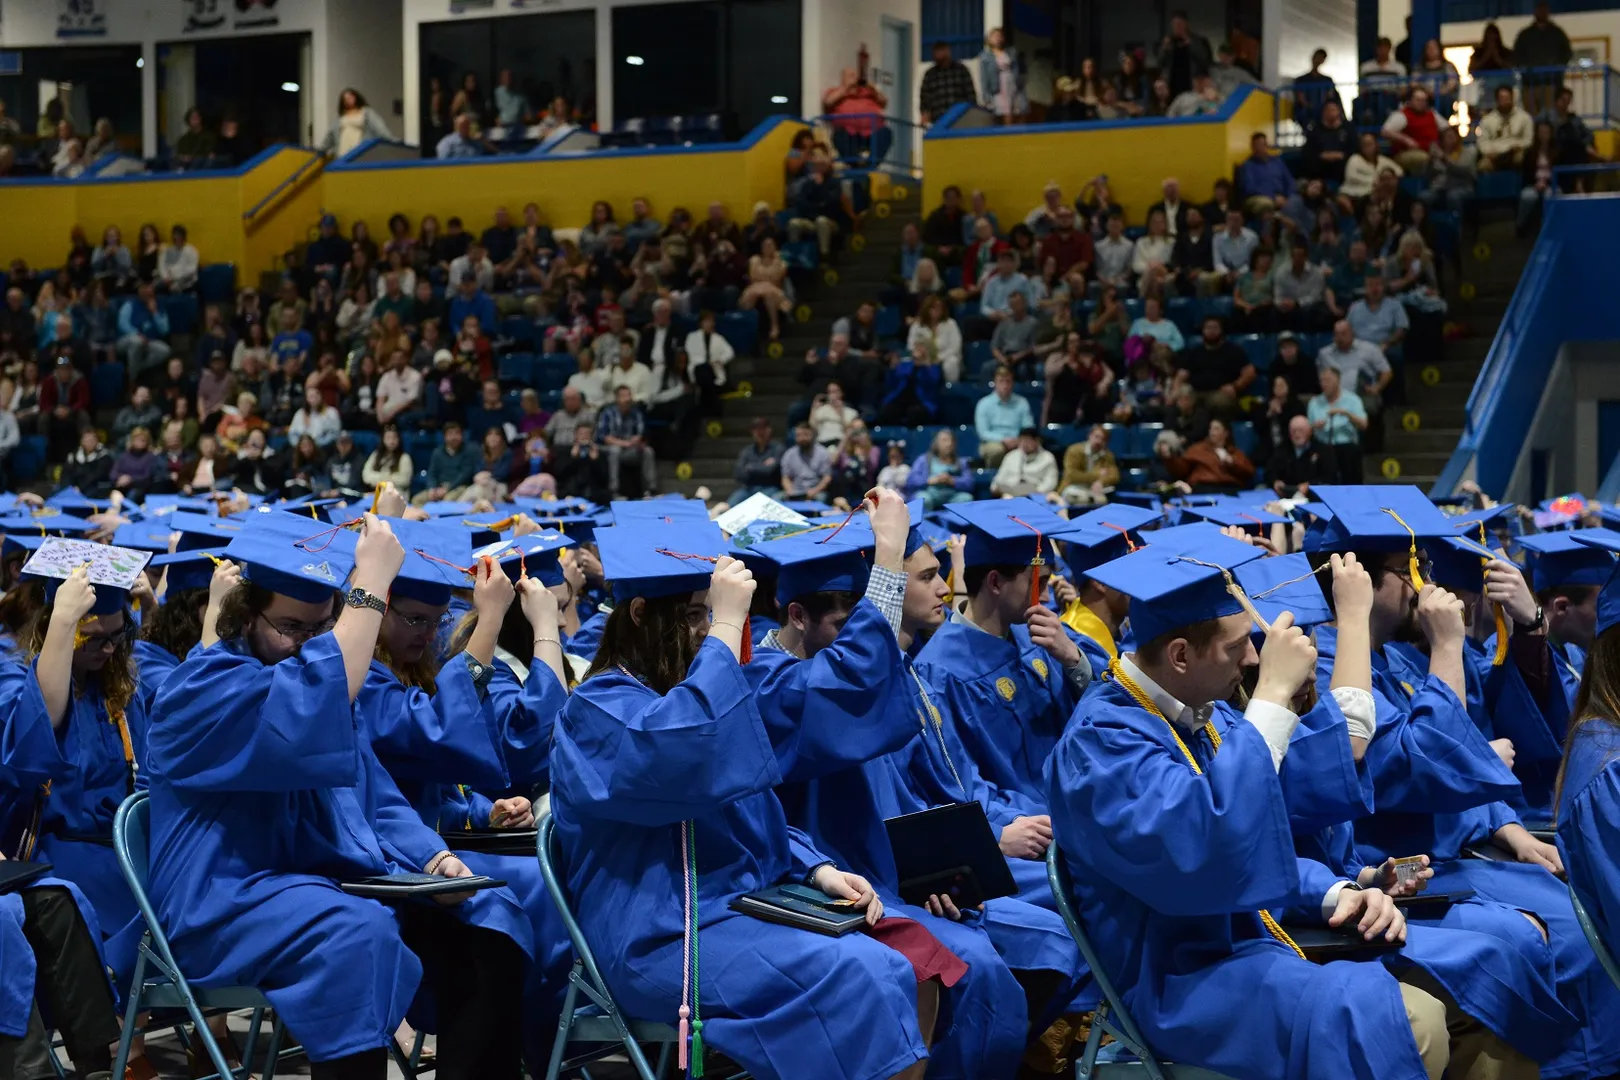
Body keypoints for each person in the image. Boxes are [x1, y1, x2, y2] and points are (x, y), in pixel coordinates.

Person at [552, 520, 950, 1080]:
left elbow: (751, 807)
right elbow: (677, 750)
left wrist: (816, 869)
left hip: (739, 906)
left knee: (911, 960)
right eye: (693, 616)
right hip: (660, 935)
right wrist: (729, 627)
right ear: (639, 615)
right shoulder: (596, 711)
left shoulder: (696, 689)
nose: (704, 631)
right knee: (859, 975)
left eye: (706, 615)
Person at [142, 513, 534, 1080]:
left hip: (317, 882)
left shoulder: (315, 681)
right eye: (292, 628)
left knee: (487, 919)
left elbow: (372, 795)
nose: (308, 645)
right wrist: (371, 586)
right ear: (245, 615)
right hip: (224, 899)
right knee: (358, 932)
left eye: (321, 628)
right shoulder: (199, 690)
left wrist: (435, 860)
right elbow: (307, 705)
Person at [914, 499, 1091, 809]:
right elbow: (957, 779)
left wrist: (1074, 659)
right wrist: (1008, 825)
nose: (1047, 597)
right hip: (1026, 824)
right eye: (1040, 583)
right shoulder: (938, 672)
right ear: (995, 582)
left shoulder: (1041, 637)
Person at [1175, 314, 1254, 420]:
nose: (1211, 331)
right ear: (1203, 330)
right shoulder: (1194, 352)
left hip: (1220, 393)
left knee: (1218, 402)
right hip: (1197, 392)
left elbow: (1250, 372)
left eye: (1215, 328)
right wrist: (1175, 391)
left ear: (1221, 330)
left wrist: (1235, 386)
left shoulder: (1233, 351)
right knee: (1182, 400)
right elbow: (1182, 375)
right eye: (1208, 328)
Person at [1306, 364, 1367, 483]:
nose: (1324, 384)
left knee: (1351, 454)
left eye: (1328, 380)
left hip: (1346, 446)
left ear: (1338, 381)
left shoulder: (1353, 400)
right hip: (1323, 446)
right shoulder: (1314, 402)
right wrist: (1314, 426)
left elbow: (1364, 425)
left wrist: (1346, 414)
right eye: (1322, 381)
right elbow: (1306, 428)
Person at [595, 385, 656, 497]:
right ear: (617, 398)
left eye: (629, 395)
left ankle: (649, 490)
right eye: (623, 396)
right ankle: (614, 491)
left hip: (629, 449)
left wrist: (637, 440)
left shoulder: (636, 413)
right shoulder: (607, 413)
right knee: (615, 451)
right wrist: (624, 443)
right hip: (607, 449)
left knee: (647, 451)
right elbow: (603, 437)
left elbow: (640, 434)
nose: (627, 399)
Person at [823, 67, 891, 165]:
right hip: (848, 133)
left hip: (872, 131)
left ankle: (871, 164)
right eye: (851, 76)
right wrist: (846, 88)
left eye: (855, 76)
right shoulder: (836, 91)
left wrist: (872, 88)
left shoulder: (868, 92)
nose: (855, 79)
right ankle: (857, 165)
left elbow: (884, 101)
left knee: (886, 133)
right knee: (839, 136)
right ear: (843, 79)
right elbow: (828, 102)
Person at [1514, 2, 1573, 115]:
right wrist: (1525, 68)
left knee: (1549, 116)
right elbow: (1517, 55)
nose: (1541, 12)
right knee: (1531, 116)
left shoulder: (1556, 32)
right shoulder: (1526, 34)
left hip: (1551, 83)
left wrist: (1556, 67)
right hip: (1530, 83)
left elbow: (1567, 53)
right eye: (1539, 9)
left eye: (1544, 9)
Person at [1166, 416, 1254, 491]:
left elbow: (1249, 472)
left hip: (1229, 488)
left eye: (1216, 429)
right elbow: (1181, 469)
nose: (1212, 432)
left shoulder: (1234, 453)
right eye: (1210, 429)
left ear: (1226, 433)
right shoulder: (1197, 449)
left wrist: (1232, 462)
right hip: (1204, 487)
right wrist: (1170, 458)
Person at [975, 366, 1035, 468]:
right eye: (1001, 381)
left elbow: (1028, 427)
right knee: (997, 450)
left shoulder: (1022, 402)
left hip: (1018, 440)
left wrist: (1019, 440)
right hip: (993, 442)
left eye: (1008, 381)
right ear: (995, 383)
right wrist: (1003, 440)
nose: (1005, 385)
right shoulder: (983, 404)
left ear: (1013, 383)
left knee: (1033, 447)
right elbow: (983, 433)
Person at [117, 283, 173, 385]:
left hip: (149, 341)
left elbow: (165, 330)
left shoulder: (158, 306)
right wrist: (137, 334)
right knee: (137, 342)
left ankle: (135, 370)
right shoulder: (130, 304)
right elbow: (122, 324)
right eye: (143, 288)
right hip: (128, 340)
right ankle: (132, 381)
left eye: (148, 288)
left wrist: (155, 312)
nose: (146, 291)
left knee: (165, 351)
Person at [904, 428, 974, 510]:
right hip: (930, 495)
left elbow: (970, 482)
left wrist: (952, 480)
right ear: (936, 443)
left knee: (966, 498)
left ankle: (954, 522)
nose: (949, 444)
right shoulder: (924, 460)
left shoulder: (961, 462)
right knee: (923, 498)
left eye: (951, 440)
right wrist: (929, 480)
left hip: (952, 497)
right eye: (944, 440)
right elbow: (911, 480)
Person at [1382, 86, 1441, 175]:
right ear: (1410, 101)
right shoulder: (1402, 115)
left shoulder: (1432, 114)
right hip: (1407, 153)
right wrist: (1406, 140)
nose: (1421, 103)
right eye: (1418, 100)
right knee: (1423, 158)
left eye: (1424, 100)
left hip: (1431, 150)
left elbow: (1446, 128)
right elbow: (1385, 131)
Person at [1156, 10, 1213, 98]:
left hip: (1192, 84)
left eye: (1179, 23)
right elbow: (1160, 63)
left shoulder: (1199, 40)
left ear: (1186, 24)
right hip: (1172, 85)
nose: (1177, 27)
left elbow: (1205, 60)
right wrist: (1164, 49)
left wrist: (1191, 44)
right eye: (1174, 24)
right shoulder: (1168, 41)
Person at [1058, 424, 1119, 506]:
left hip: (1095, 489)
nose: (1099, 441)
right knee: (1078, 498)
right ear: (1090, 436)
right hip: (1074, 487)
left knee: (1104, 498)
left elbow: (1115, 476)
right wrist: (1097, 474)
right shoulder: (1074, 450)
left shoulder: (1107, 455)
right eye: (1096, 437)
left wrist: (1101, 482)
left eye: (1103, 439)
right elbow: (1072, 475)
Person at [1519, 120, 1562, 235]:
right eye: (1541, 132)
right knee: (1527, 196)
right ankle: (1521, 225)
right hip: (1533, 184)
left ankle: (1551, 228)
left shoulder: (1557, 152)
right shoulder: (1530, 152)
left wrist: (1547, 183)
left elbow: (1560, 173)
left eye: (1546, 132)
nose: (1544, 135)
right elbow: (1526, 173)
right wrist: (1536, 183)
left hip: (1551, 184)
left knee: (1552, 195)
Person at [1476, 85, 1533, 172]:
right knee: (1482, 165)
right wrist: (1488, 152)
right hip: (1494, 153)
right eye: (1502, 98)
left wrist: (1519, 146)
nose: (1505, 101)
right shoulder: (1487, 120)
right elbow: (1482, 141)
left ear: (1512, 98)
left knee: (1521, 158)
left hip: (1515, 152)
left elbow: (1528, 140)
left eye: (1507, 98)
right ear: (1497, 100)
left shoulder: (1524, 118)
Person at [978, 27, 1029, 123]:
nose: (997, 38)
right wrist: (985, 95)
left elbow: (1021, 68)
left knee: (1019, 110)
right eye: (994, 36)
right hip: (998, 86)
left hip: (1013, 82)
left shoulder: (1011, 52)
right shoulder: (985, 57)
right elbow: (984, 77)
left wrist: (1022, 80)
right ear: (989, 39)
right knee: (1005, 111)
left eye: (999, 36)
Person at [919, 40, 977, 125]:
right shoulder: (930, 74)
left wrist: (972, 112)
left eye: (942, 51)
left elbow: (970, 94)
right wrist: (924, 114)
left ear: (948, 52)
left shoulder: (961, 70)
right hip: (938, 119)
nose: (939, 55)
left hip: (960, 118)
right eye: (937, 52)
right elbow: (925, 97)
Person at [989, 428, 1058, 498]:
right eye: (1022, 440)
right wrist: (995, 488)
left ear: (1037, 441)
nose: (1024, 444)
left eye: (1028, 441)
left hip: (1035, 496)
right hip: (1010, 494)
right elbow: (1000, 478)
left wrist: (1036, 492)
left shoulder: (1048, 458)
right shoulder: (1011, 456)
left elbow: (1050, 482)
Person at [1237, 132, 1294, 216]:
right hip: (1259, 197)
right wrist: (1273, 197)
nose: (1262, 147)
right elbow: (1250, 188)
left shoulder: (1277, 162)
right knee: (1266, 205)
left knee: (1296, 201)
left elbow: (1289, 180)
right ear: (1253, 147)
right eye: (1259, 145)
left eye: (1264, 144)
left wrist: (1287, 196)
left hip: (1282, 196)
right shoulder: (1248, 166)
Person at [779, 422, 832, 503]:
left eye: (806, 434)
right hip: (795, 490)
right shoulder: (789, 454)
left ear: (813, 436)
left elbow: (827, 478)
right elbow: (785, 477)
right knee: (775, 498)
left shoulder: (822, 453)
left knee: (822, 498)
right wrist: (789, 490)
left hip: (815, 491)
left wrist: (815, 491)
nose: (802, 438)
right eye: (799, 435)